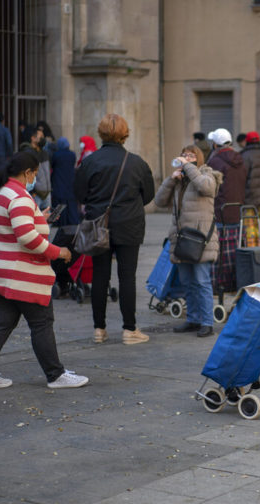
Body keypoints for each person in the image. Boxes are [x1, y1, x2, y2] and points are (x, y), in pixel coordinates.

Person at [0, 151, 88, 390]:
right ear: (27, 172)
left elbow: (16, 227)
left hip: (2, 270)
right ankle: (55, 375)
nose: (35, 178)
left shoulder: (3, 192)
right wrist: (60, 252)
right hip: (22, 274)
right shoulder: (20, 197)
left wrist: (40, 218)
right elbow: (27, 237)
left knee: (1, 322)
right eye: (35, 174)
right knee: (41, 322)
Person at [74, 113, 155, 345]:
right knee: (127, 277)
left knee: (100, 275)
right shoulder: (137, 162)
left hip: (99, 224)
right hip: (130, 225)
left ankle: (99, 329)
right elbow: (148, 195)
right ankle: (129, 330)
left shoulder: (89, 162)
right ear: (125, 133)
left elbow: (79, 194)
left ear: (101, 133)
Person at [154, 145, 222, 337]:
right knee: (187, 282)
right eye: (184, 155)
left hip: (201, 240)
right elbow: (159, 202)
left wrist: (189, 167)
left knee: (202, 281)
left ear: (198, 159)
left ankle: (207, 322)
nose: (186, 158)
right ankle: (192, 319)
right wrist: (170, 179)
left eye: (191, 155)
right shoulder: (180, 180)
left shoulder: (209, 174)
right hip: (181, 239)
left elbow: (206, 187)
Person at [207, 128, 247, 225]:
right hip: (238, 211)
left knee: (219, 240)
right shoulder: (241, 159)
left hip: (220, 211)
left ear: (215, 145)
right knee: (235, 239)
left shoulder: (214, 161)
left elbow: (209, 187)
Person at [240, 131, 260, 247]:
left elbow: (242, 177)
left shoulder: (245, 156)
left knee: (249, 225)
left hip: (250, 197)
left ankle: (251, 250)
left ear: (247, 142)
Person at [19, 126, 52, 210]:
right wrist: (32, 191)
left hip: (47, 193)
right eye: (41, 137)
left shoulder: (44, 153)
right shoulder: (28, 153)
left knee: (47, 220)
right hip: (36, 194)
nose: (43, 139)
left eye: (43, 137)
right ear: (33, 138)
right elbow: (25, 175)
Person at [50, 137, 80, 226]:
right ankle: (72, 221)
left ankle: (58, 221)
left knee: (59, 203)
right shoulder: (72, 154)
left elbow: (53, 165)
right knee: (70, 203)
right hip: (70, 180)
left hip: (59, 180)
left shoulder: (56, 155)